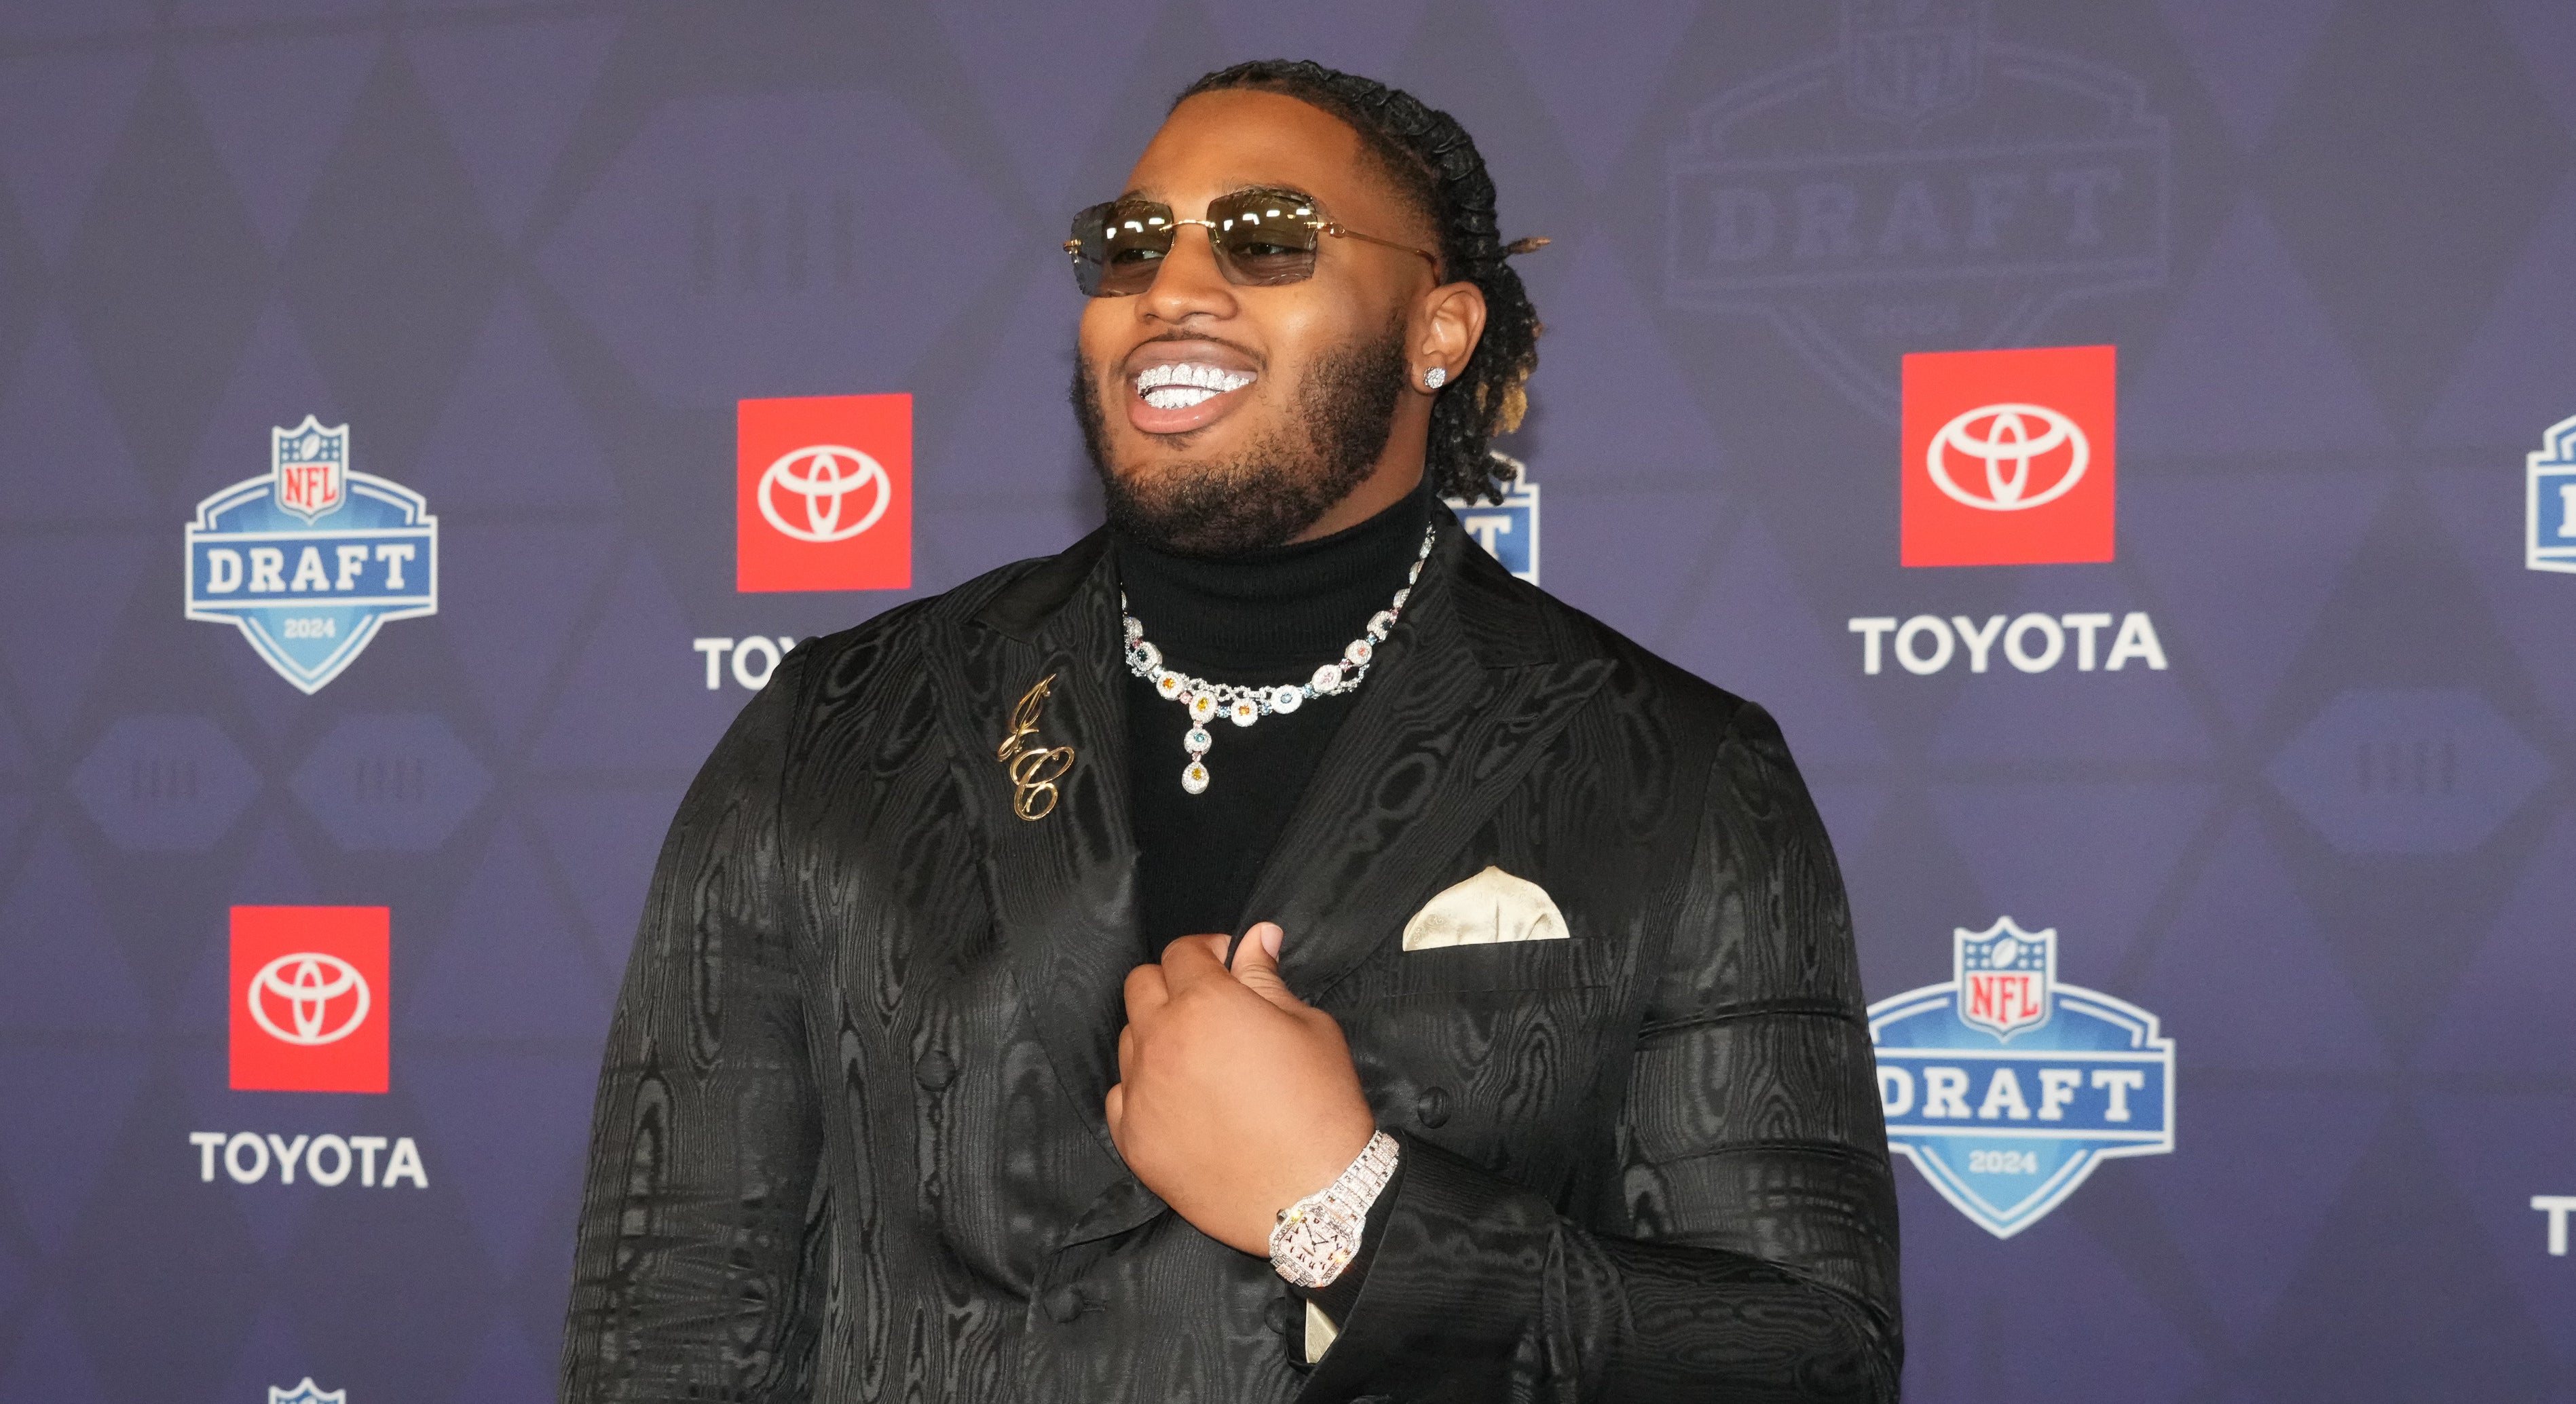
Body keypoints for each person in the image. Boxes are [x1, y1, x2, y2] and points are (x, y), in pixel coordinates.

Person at [561, 58, 1901, 1403]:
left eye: (1268, 240)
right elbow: (671, 1324)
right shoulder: (839, 727)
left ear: (1437, 331)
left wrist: (1353, 1210)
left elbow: (1805, 1358)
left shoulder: (1670, 765)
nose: (1172, 287)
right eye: (1130, 243)